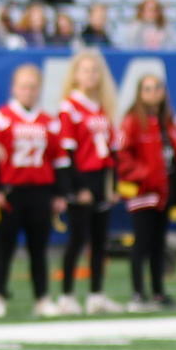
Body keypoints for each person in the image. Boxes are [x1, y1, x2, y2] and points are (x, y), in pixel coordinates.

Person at [0, 62, 69, 319]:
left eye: (33, 87)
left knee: (38, 247)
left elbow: (60, 160)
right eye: (23, 86)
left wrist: (60, 193)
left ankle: (41, 297)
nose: (29, 91)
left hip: (41, 190)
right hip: (11, 191)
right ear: (14, 88)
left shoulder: (49, 122)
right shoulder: (1, 118)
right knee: (4, 247)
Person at [54, 50, 122, 316]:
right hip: (80, 179)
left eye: (95, 70)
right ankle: (67, 295)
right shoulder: (70, 106)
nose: (90, 75)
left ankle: (96, 294)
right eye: (85, 70)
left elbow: (111, 151)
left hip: (100, 179)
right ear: (75, 75)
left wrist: (113, 185)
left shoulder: (103, 108)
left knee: (99, 240)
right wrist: (74, 188)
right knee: (77, 238)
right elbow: (67, 152)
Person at [116, 74, 175, 310]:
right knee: (142, 242)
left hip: (164, 191)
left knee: (159, 243)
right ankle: (138, 293)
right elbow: (122, 156)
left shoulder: (166, 122)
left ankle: (158, 292)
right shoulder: (132, 121)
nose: (153, 93)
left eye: (157, 88)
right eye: (148, 89)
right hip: (143, 191)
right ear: (139, 93)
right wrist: (144, 173)